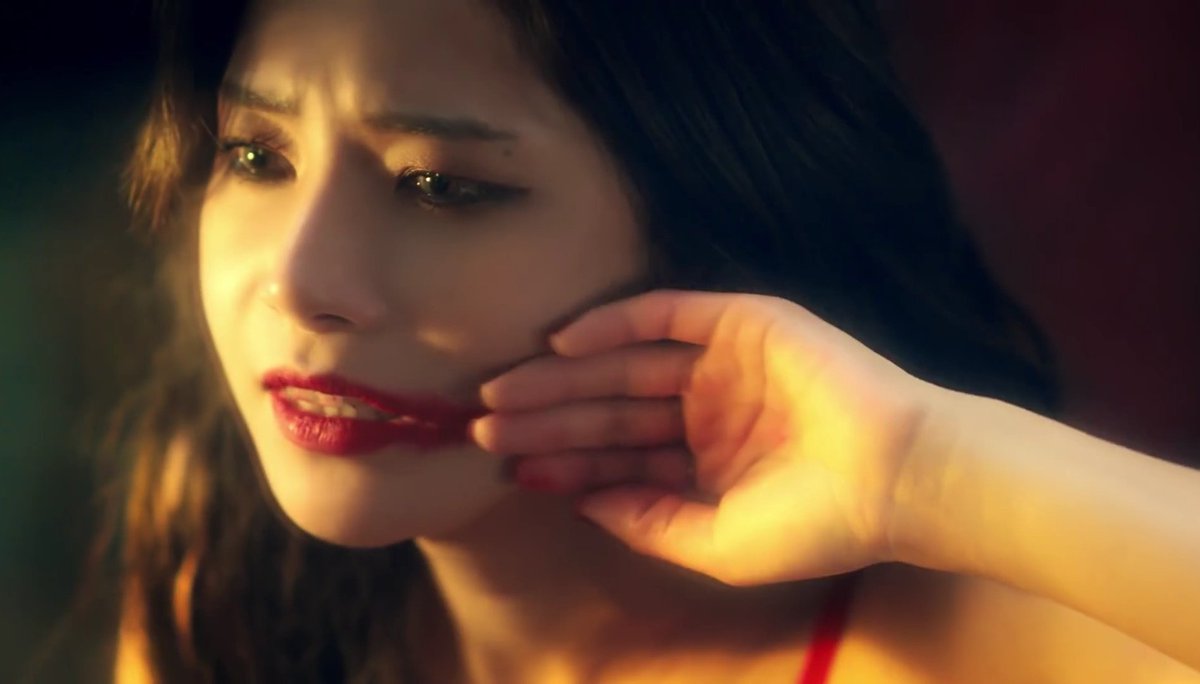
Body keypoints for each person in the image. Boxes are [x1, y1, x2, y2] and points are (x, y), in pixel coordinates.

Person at [102, 0, 1199, 682]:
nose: (300, 283)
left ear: (703, 227)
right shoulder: (234, 593)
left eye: (439, 186)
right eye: (256, 157)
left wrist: (928, 467)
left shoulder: (968, 650)